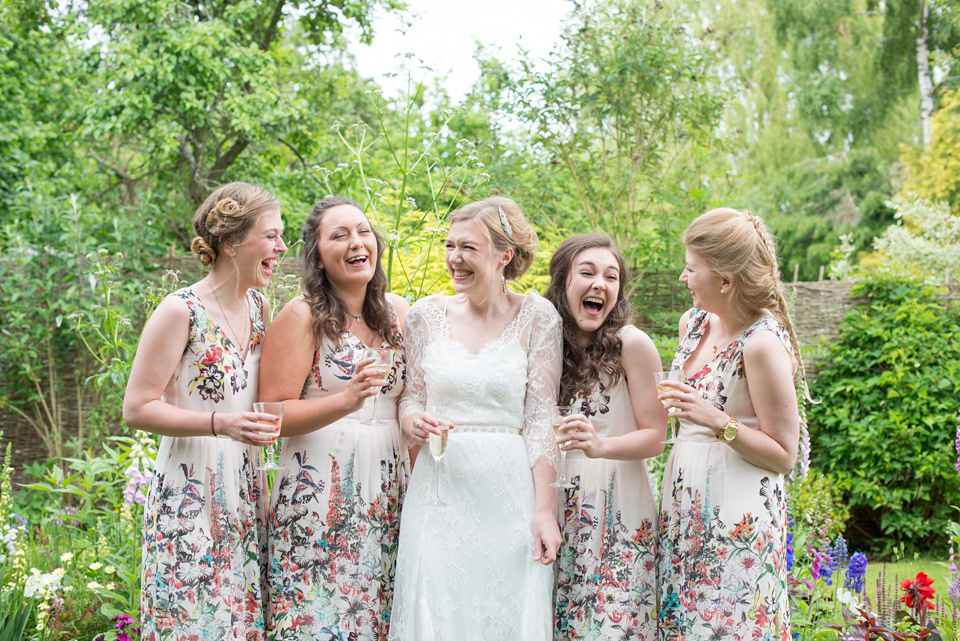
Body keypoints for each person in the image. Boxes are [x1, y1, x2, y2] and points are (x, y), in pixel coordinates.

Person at [388, 197, 562, 641]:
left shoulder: (538, 317)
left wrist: (544, 510)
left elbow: (542, 419)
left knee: (504, 611)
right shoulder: (425, 315)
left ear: (504, 255)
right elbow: (410, 399)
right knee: (436, 607)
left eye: (468, 247)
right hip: (439, 489)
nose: (454, 259)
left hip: (508, 494)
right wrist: (413, 422)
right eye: (450, 246)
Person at [123, 182, 287, 641]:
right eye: (271, 236)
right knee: (193, 619)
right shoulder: (180, 311)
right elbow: (136, 408)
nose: (282, 247)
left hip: (245, 486)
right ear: (232, 244)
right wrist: (221, 424)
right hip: (190, 488)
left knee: (239, 620)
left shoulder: (259, 306)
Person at [261, 197, 409, 640]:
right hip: (318, 488)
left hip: (388, 488)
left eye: (363, 231)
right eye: (339, 235)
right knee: (318, 615)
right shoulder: (302, 315)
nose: (356, 242)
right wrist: (345, 401)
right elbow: (272, 413)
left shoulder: (400, 314)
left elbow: (411, 401)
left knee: (377, 612)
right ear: (319, 256)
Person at [657, 208, 808, 640]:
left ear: (725, 281)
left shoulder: (761, 343)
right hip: (684, 504)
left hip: (738, 513)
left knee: (733, 625)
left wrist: (718, 420)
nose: (683, 279)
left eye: (690, 269)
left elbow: (784, 454)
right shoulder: (694, 323)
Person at [544, 234, 667, 641]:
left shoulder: (632, 344)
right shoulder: (544, 345)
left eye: (611, 277)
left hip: (618, 506)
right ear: (563, 281)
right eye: (588, 272)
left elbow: (655, 436)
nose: (600, 283)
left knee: (612, 625)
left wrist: (600, 446)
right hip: (556, 501)